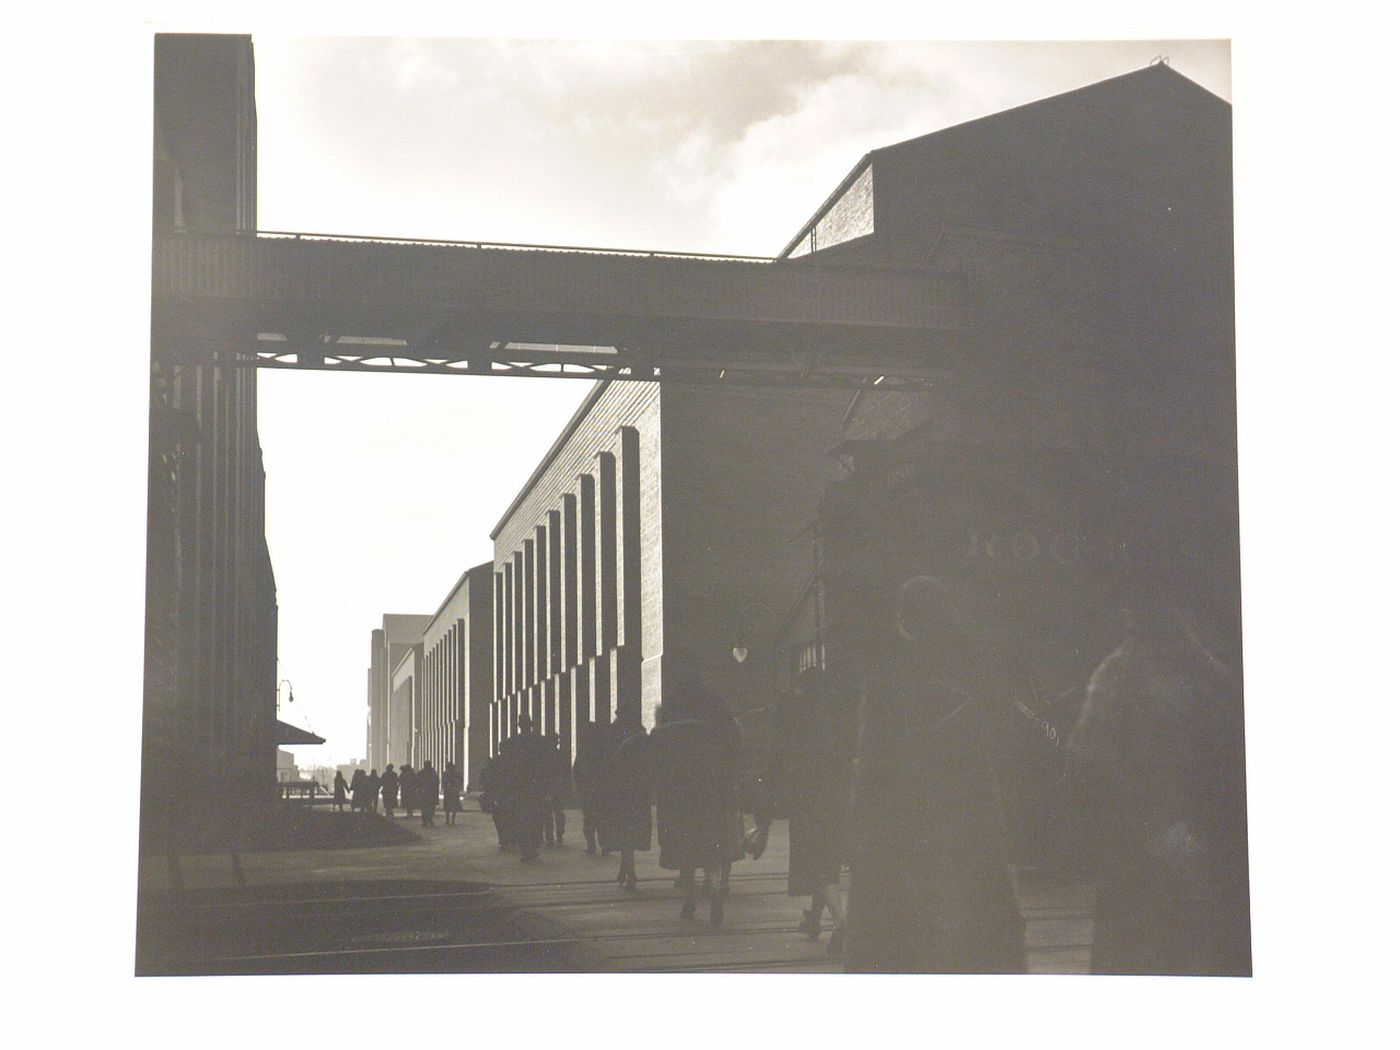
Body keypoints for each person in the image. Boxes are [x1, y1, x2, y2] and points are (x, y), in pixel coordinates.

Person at [843, 576, 1026, 973]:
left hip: (903, 824)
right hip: (968, 818)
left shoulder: (888, 677)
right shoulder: (977, 669)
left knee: (903, 939)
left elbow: (872, 762)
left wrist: (858, 829)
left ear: (905, 621)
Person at [1067, 603, 1250, 976]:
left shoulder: (1117, 676)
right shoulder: (1205, 673)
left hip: (1148, 830)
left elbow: (1089, 756)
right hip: (1171, 828)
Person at [756, 667, 852, 954]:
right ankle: (814, 918)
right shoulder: (836, 717)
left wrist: (763, 815)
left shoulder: (794, 720)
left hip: (807, 802)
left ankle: (841, 924)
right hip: (838, 799)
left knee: (818, 864)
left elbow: (775, 763)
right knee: (828, 862)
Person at [652, 673, 745, 925]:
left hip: (680, 793)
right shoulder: (717, 709)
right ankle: (715, 892)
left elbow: (659, 751)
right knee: (713, 848)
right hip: (714, 790)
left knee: (686, 850)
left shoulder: (672, 711)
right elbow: (735, 746)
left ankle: (690, 900)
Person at [595, 710, 653, 889]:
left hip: (617, 792)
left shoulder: (611, 735)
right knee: (632, 833)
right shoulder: (641, 736)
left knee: (623, 833)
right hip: (638, 792)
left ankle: (628, 871)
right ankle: (626, 869)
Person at [495, 715, 554, 861]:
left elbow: (507, 768)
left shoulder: (512, 743)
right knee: (536, 818)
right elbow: (547, 766)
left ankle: (526, 849)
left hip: (520, 787)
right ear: (531, 724)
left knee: (522, 819)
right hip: (536, 787)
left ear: (519, 725)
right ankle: (532, 848)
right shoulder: (541, 742)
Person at [573, 723, 606, 854]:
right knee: (602, 817)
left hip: (588, 788)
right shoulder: (603, 749)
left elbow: (577, 769)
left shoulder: (584, 750)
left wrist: (579, 785)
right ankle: (605, 845)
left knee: (588, 818)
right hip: (601, 788)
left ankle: (591, 846)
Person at [479, 755, 513, 850]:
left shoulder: (495, 764)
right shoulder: (510, 762)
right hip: (505, 795)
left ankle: (503, 839)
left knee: (499, 819)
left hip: (498, 796)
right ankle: (507, 839)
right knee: (507, 818)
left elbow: (486, 782)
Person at [543, 733, 571, 845]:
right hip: (559, 784)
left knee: (547, 812)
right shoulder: (562, 755)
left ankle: (549, 837)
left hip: (547, 785)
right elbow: (567, 772)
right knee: (559, 812)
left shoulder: (543, 756)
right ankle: (559, 835)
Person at [442, 761, 463, 826]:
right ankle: (452, 820)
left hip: (449, 791)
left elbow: (443, 782)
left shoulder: (446, 774)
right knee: (453, 806)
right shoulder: (456, 773)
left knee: (448, 806)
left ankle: (448, 820)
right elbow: (460, 781)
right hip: (453, 791)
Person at [419, 761, 440, 826]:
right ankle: (428, 820)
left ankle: (426, 820)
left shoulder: (422, 772)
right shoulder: (433, 772)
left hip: (425, 792)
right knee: (429, 807)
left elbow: (418, 781)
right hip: (430, 792)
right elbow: (437, 781)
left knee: (425, 807)